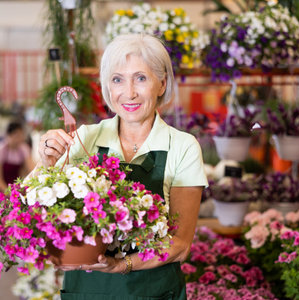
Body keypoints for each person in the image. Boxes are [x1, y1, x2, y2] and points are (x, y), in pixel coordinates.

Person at [35, 34, 207, 299]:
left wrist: (122, 265)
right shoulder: (84, 137)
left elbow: (181, 245)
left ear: (161, 84)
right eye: (117, 79)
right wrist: (46, 163)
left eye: (141, 78)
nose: (129, 93)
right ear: (107, 86)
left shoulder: (183, 146)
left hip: (151, 291)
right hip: (88, 289)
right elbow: (35, 209)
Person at [0, 121, 35, 201]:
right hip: (1, 187)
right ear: (9, 135)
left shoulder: (24, 149)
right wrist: (11, 194)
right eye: (16, 135)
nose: (20, 138)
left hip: (15, 186)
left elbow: (32, 169)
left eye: (21, 135)